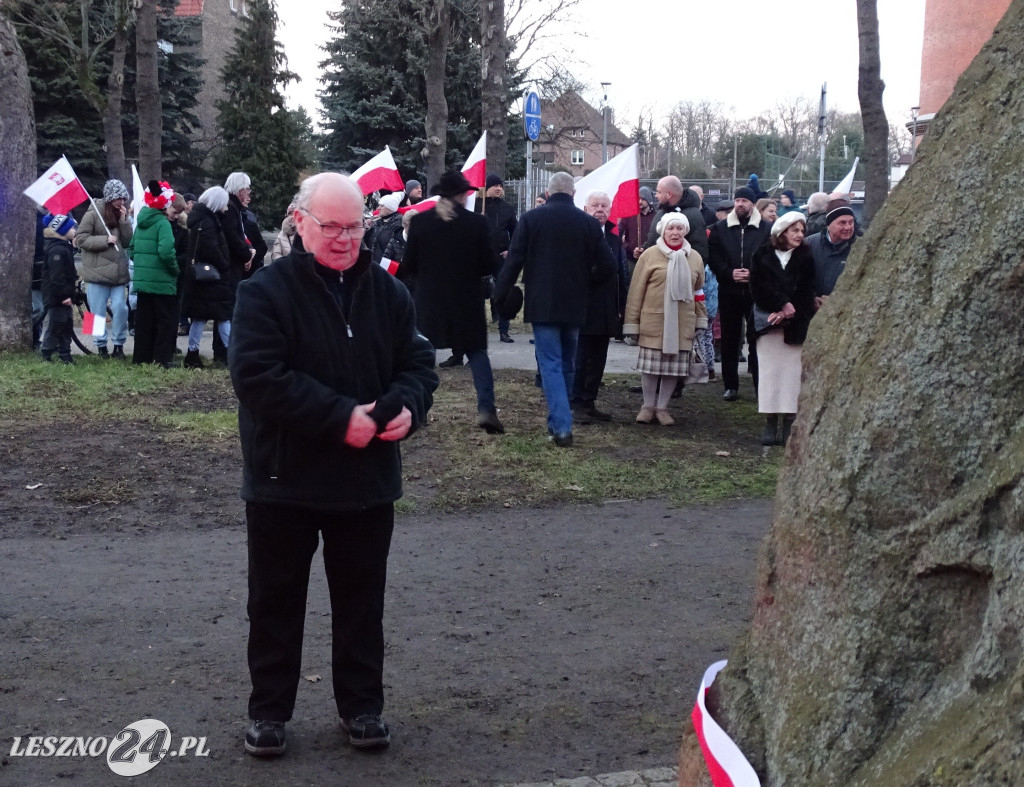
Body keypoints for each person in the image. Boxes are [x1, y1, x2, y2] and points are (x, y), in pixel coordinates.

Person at [229, 171, 437, 758]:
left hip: (365, 483)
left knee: (361, 603)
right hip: (283, 479)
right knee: (274, 602)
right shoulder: (264, 292)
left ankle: (361, 707)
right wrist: (337, 416)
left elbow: (419, 363)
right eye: (333, 227)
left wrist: (408, 408)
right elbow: (257, 378)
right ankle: (268, 712)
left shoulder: (389, 292)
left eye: (356, 227)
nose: (347, 239)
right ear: (300, 222)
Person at [492, 171, 616, 447]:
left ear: (547, 193)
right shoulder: (588, 224)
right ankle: (561, 421)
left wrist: (499, 296)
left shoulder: (531, 219)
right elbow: (608, 267)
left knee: (549, 364)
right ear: (573, 194)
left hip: (542, 302)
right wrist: (586, 281)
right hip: (575, 304)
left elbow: (514, 261)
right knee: (567, 363)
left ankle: (561, 426)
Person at [400, 170, 503, 434]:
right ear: (462, 195)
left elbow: (409, 265)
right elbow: (489, 264)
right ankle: (487, 409)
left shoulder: (420, 223)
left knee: (424, 356)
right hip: (467, 301)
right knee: (477, 353)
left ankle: (419, 411)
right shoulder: (477, 224)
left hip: (429, 300)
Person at [623, 214, 704, 425]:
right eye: (671, 228)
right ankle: (647, 406)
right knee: (651, 368)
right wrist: (632, 323)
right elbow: (636, 291)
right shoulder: (649, 255)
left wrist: (701, 319)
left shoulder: (694, 257)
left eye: (679, 228)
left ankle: (662, 407)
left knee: (672, 369)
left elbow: (699, 292)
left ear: (685, 231)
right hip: (654, 321)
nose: (675, 233)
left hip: (682, 322)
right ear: (663, 230)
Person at [749, 212, 816, 446]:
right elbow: (758, 286)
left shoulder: (806, 256)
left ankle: (789, 421)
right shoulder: (762, 254)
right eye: (794, 230)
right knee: (770, 373)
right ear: (782, 232)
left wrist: (791, 308)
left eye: (801, 230)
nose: (799, 235)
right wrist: (779, 305)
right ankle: (770, 421)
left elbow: (807, 290)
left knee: (791, 375)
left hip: (795, 324)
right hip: (769, 323)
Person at [708, 186, 772, 401]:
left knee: (757, 338)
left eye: (744, 200)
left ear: (752, 203)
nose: (740, 204)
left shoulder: (766, 229)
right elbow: (714, 256)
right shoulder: (720, 228)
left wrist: (754, 274)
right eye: (737, 200)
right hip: (729, 290)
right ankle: (730, 385)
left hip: (757, 292)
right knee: (729, 339)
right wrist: (728, 273)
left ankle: (759, 384)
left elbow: (770, 257)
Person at [571, 190, 628, 423]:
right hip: (583, 307)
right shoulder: (577, 236)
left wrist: (621, 306)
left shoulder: (614, 239)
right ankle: (575, 403)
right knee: (581, 357)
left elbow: (620, 275)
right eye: (595, 205)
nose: (600, 209)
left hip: (607, 309)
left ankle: (589, 400)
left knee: (599, 358)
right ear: (585, 209)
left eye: (604, 205)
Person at [75, 179, 133, 358]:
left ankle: (118, 345)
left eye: (124, 199)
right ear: (109, 198)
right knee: (96, 312)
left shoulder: (120, 214)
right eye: (118, 198)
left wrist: (124, 222)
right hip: (96, 272)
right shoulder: (92, 213)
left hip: (117, 273)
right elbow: (80, 239)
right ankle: (100, 346)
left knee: (121, 308)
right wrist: (104, 240)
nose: (122, 202)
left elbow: (127, 242)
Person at [128, 181, 180, 367]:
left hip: (143, 282)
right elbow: (166, 252)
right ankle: (162, 359)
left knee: (143, 322)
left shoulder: (141, 222)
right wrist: (175, 269)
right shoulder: (162, 224)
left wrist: (143, 266)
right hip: (162, 281)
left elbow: (132, 249)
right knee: (165, 321)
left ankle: (141, 358)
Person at [182, 187, 234, 369]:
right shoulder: (209, 222)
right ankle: (231, 353)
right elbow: (211, 248)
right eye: (224, 203)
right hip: (212, 279)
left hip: (200, 278)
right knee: (223, 316)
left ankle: (192, 353)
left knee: (200, 318)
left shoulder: (199, 219)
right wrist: (224, 263)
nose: (226, 208)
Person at [482, 174, 518, 343]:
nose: (499, 188)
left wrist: (510, 250)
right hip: (480, 257)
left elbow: (517, 232)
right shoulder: (477, 206)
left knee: (504, 292)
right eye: (495, 185)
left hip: (500, 257)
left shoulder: (507, 208)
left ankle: (504, 330)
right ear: (487, 187)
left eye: (501, 186)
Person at [39, 214, 79, 364]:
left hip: (63, 296)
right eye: (71, 228)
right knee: (56, 325)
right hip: (57, 298)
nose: (74, 230)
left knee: (66, 324)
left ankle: (65, 353)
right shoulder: (57, 250)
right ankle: (46, 353)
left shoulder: (64, 248)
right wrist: (64, 295)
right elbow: (57, 277)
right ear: (63, 231)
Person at [645, 176, 708, 265]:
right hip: (657, 270)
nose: (656, 195)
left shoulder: (693, 215)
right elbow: (654, 238)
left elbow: (699, 251)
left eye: (659, 192)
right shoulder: (661, 213)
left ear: (669, 194)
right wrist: (644, 249)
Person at [805, 201, 858, 306]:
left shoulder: (860, 248)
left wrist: (839, 301)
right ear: (829, 225)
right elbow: (797, 278)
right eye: (842, 223)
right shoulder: (809, 244)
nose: (848, 227)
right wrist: (810, 298)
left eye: (851, 222)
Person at [618, 185, 656, 274]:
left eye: (643, 199)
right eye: (638, 198)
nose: (639, 201)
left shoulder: (656, 216)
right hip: (632, 260)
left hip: (651, 259)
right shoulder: (629, 215)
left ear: (649, 200)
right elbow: (619, 232)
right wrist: (628, 247)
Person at [371, 193, 404, 265]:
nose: (378, 208)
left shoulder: (399, 225)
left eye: (382, 206)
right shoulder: (376, 223)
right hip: (374, 265)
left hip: (389, 267)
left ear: (390, 209)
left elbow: (398, 251)